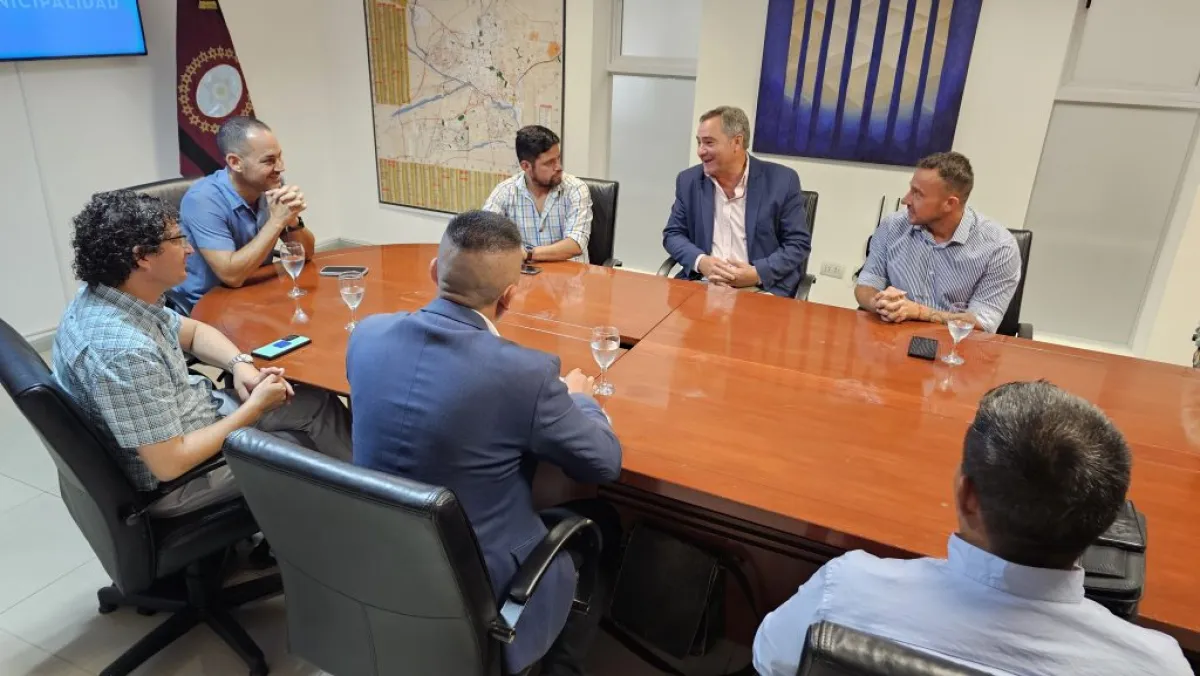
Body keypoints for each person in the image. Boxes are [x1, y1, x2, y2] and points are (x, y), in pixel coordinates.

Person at [753, 381, 1191, 676]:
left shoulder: (845, 590)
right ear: (1109, 521)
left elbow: (768, 657)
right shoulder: (1155, 666)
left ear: (967, 496)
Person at [347, 210, 622, 676]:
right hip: (478, 584)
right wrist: (582, 400)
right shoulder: (525, 374)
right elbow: (604, 463)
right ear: (509, 296)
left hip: (380, 560)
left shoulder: (367, 336)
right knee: (603, 521)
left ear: (434, 271)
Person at [53, 190, 352, 517]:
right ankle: (376, 513)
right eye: (177, 240)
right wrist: (254, 408)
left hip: (190, 418)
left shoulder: (108, 298)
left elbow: (194, 333)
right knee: (308, 448)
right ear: (142, 257)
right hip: (179, 482)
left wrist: (241, 366)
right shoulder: (124, 352)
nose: (189, 249)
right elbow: (170, 464)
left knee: (314, 401)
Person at [855, 151, 1020, 334]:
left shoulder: (1000, 247)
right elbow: (866, 285)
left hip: (954, 343)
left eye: (918, 194)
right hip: (892, 338)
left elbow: (983, 323)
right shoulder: (892, 226)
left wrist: (918, 312)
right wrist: (880, 303)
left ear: (949, 204)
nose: (906, 200)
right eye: (911, 189)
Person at [662, 105, 811, 297]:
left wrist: (757, 273)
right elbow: (673, 234)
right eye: (699, 142)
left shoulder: (782, 181)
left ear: (737, 142)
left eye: (708, 142)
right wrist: (701, 261)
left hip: (761, 289)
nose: (700, 151)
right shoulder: (688, 181)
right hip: (703, 283)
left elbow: (798, 243)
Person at [172, 116, 316, 312]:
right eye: (269, 161)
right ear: (235, 162)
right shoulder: (202, 200)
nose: (280, 168)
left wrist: (292, 221)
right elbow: (232, 276)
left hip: (258, 290)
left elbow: (307, 254)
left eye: (280, 157)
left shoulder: (270, 185)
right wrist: (277, 221)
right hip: (211, 303)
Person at [483, 125, 593, 263]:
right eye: (549, 163)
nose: (558, 167)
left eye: (558, 158)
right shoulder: (505, 192)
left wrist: (528, 254)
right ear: (526, 166)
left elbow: (575, 244)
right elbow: (484, 234)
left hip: (570, 274)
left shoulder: (576, 189)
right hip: (524, 273)